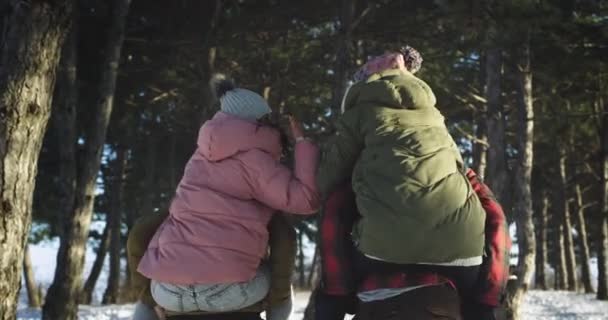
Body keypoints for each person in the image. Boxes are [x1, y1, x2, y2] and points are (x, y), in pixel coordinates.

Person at [315, 46, 490, 320]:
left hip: (382, 250)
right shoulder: (435, 117)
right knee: (495, 215)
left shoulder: (360, 113)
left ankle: (331, 305)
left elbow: (327, 180)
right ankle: (488, 306)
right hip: (461, 253)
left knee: (334, 205)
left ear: (364, 83)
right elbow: (460, 167)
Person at [135, 78, 319, 319]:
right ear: (258, 121)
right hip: (226, 291)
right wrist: (303, 144)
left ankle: (145, 310)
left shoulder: (198, 158)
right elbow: (305, 200)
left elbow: (141, 233)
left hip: (169, 292)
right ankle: (278, 314)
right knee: (281, 247)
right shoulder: (255, 160)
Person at [127, 212, 297, 320]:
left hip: (175, 298)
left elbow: (139, 233)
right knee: (281, 285)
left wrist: (148, 297)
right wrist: (278, 296)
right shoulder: (249, 198)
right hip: (236, 295)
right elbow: (285, 235)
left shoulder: (184, 200)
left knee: (147, 297)